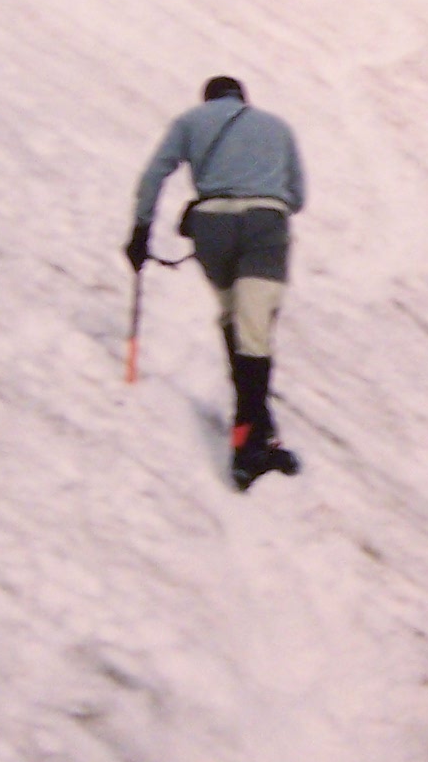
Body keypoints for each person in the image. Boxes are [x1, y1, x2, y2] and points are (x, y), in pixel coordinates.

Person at [127, 76, 307, 488]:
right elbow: (297, 195)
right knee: (255, 326)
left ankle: (255, 425)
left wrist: (140, 233)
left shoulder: (190, 122)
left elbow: (154, 175)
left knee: (234, 318)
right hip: (264, 224)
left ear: (207, 99)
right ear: (243, 98)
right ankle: (249, 444)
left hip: (212, 227)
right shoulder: (277, 127)